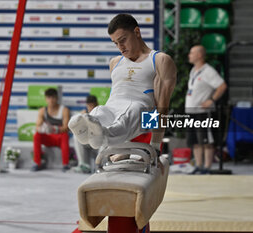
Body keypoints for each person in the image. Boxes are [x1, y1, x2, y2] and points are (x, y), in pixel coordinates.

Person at [68, 14, 176, 163]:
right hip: (114, 106)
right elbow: (115, 97)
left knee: (130, 113)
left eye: (123, 40)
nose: (120, 47)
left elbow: (163, 107)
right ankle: (90, 129)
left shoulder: (159, 60)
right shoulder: (115, 62)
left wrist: (155, 146)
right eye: (115, 43)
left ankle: (102, 135)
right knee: (100, 111)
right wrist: (124, 149)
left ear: (137, 32)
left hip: (140, 109)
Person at [185, 45, 227, 174]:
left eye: (192, 53)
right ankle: (198, 165)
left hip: (203, 112)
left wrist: (211, 100)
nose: (189, 55)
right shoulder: (193, 70)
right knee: (195, 141)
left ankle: (207, 167)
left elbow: (222, 86)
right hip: (191, 111)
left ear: (199, 55)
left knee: (206, 140)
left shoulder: (208, 71)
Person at [32, 88, 71, 172]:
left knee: (65, 136)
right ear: (46, 99)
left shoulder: (64, 110)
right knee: (36, 135)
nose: (51, 100)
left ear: (57, 98)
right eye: (49, 98)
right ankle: (37, 162)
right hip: (48, 137)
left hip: (59, 138)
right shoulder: (42, 111)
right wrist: (43, 129)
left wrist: (54, 129)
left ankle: (65, 164)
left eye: (53, 98)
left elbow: (66, 127)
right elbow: (37, 126)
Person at [72, 95, 99, 173]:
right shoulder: (83, 114)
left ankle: (100, 165)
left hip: (99, 142)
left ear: (96, 104)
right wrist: (80, 117)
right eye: (88, 105)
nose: (90, 107)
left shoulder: (101, 112)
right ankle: (84, 165)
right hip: (88, 141)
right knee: (76, 136)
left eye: (92, 105)